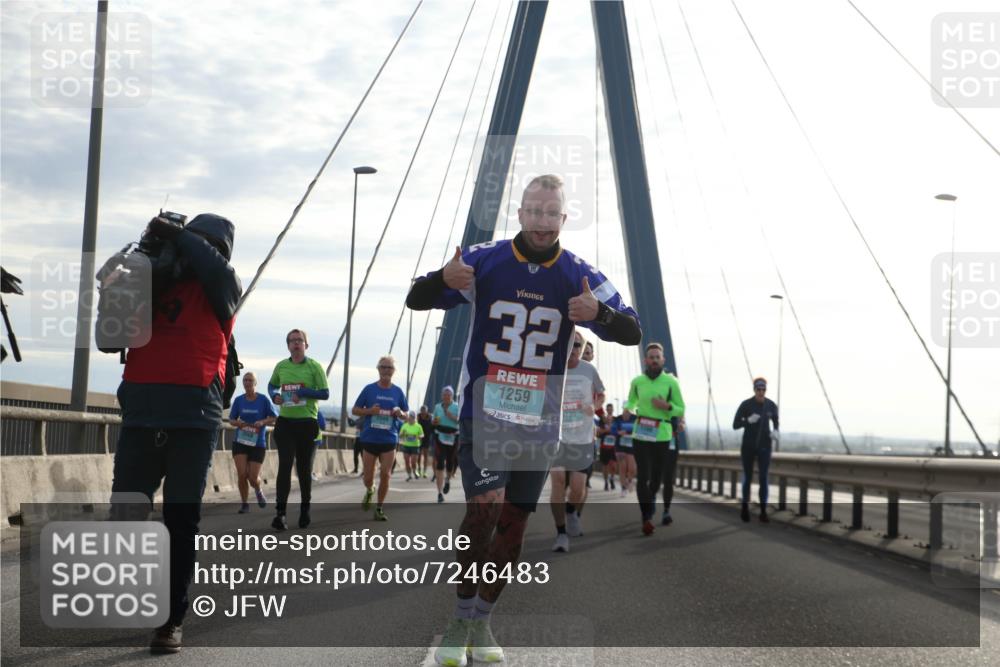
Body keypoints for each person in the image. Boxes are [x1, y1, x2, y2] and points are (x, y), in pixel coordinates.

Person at [406, 173, 641, 666]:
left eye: (550, 213)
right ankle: (458, 617)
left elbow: (633, 330)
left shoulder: (579, 272)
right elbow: (416, 297)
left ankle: (481, 622)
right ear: (520, 213)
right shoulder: (484, 257)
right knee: (484, 509)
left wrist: (599, 313)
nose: (541, 221)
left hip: (538, 422)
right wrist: (439, 282)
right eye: (533, 211)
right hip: (484, 411)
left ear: (563, 218)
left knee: (513, 524)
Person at [109, 213, 240, 653]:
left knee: (180, 522)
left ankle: (171, 620)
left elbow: (217, 269)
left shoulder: (221, 288)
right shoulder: (153, 279)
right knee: (125, 514)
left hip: (193, 421)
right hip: (142, 413)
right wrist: (143, 248)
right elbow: (108, 287)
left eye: (201, 243)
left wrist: (180, 236)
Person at [268, 329, 329, 531]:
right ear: (288, 345)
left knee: (303, 470)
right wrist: (274, 396)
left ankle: (305, 508)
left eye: (299, 340)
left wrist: (304, 392)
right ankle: (280, 514)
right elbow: (271, 385)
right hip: (285, 422)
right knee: (285, 465)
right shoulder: (281, 366)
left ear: (306, 345)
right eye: (292, 341)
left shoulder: (315, 367)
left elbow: (325, 393)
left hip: (307, 424)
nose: (296, 343)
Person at [551, 330, 605, 553]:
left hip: (582, 439)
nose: (573, 349)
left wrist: (595, 406)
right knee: (558, 484)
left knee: (577, 488)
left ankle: (572, 511)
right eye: (570, 344)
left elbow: (601, 393)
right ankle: (561, 533)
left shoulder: (589, 370)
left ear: (582, 350)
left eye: (577, 346)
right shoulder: (553, 368)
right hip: (556, 438)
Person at [623, 342, 685, 536]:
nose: (655, 360)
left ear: (663, 360)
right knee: (644, 476)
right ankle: (646, 516)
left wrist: (666, 406)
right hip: (642, 430)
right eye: (651, 357)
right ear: (646, 360)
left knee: (656, 479)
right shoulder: (637, 381)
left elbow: (680, 408)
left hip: (663, 433)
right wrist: (628, 409)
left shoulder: (671, 382)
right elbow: (632, 401)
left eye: (658, 357)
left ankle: (650, 507)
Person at [352, 356, 407, 521]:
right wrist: (369, 411)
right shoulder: (369, 389)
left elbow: (406, 415)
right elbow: (355, 410)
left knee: (386, 474)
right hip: (369, 438)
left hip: (389, 439)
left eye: (389, 368)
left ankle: (379, 508)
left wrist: (400, 414)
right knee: (368, 477)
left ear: (393, 371)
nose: (386, 370)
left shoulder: (398, 392)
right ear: (378, 369)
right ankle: (370, 490)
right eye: (383, 367)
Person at [227, 372, 276, 513]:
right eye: (245, 380)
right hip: (240, 441)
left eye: (250, 380)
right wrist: (238, 423)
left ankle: (258, 490)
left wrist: (262, 422)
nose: (247, 382)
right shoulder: (239, 400)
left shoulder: (263, 400)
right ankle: (244, 504)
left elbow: (274, 417)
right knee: (242, 474)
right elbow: (231, 420)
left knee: (252, 478)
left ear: (255, 383)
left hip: (257, 443)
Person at [733, 377, 779, 522]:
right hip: (748, 446)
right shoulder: (746, 405)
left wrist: (776, 431)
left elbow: (776, 422)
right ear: (754, 389)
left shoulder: (771, 405)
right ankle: (745, 508)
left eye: (763, 389)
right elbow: (735, 424)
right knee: (748, 476)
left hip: (765, 446)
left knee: (763, 477)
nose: (761, 392)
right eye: (758, 389)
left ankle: (763, 511)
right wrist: (747, 421)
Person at [432, 386, 460, 503]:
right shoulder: (437, 407)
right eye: (444, 394)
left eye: (448, 395)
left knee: (450, 462)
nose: (446, 396)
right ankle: (439, 493)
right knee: (439, 463)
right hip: (440, 436)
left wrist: (451, 416)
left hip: (453, 436)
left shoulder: (457, 407)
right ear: (442, 396)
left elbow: (461, 420)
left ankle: (447, 480)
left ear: (452, 396)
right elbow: (434, 420)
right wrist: (434, 421)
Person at [611, 408, 637, 497]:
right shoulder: (617, 419)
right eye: (625, 411)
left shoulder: (636, 418)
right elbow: (612, 430)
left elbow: (641, 429)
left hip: (632, 445)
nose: (626, 413)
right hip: (620, 446)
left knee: (632, 469)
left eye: (628, 411)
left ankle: (629, 481)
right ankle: (623, 488)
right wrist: (618, 432)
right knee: (622, 468)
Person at [399, 411, 424, 481]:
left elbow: (422, 434)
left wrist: (419, 436)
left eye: (412, 417)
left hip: (415, 446)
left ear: (414, 418)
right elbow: (400, 435)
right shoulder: (404, 425)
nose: (410, 418)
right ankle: (409, 475)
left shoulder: (418, 426)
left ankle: (414, 471)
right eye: (410, 417)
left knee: (413, 462)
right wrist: (402, 434)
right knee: (407, 461)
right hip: (406, 445)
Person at [598, 403, 617, 491]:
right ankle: (606, 482)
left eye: (611, 409)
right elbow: (598, 433)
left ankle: (612, 478)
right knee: (605, 465)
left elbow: (619, 431)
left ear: (613, 410)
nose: (609, 410)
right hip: (604, 446)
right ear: (606, 410)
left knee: (613, 465)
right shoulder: (602, 420)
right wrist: (606, 429)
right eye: (608, 409)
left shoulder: (616, 420)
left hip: (614, 446)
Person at [418, 404, 434, 479]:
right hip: (419, 438)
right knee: (419, 455)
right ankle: (418, 469)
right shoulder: (418, 417)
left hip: (427, 438)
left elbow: (433, 427)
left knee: (425, 455)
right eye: (422, 411)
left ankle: (424, 471)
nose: (423, 413)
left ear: (427, 411)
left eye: (424, 411)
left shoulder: (430, 417)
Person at [311, 411, 326, 481]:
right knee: (311, 458)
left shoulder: (300, 411)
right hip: (315, 439)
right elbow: (323, 425)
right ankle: (309, 473)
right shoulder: (317, 413)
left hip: (302, 438)